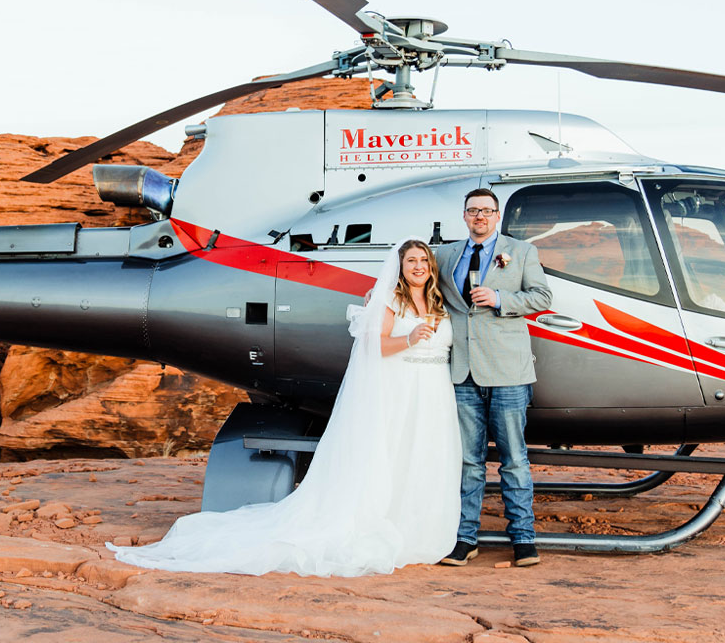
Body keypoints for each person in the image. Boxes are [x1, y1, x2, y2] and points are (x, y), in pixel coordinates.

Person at [107, 238, 460, 577]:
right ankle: (388, 526)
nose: (418, 267)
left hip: (433, 395)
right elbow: (375, 348)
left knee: (423, 458)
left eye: (424, 261)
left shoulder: (439, 302)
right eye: (411, 261)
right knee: (394, 456)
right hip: (401, 393)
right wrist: (409, 339)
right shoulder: (388, 302)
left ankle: (418, 526)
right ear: (400, 267)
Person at [435, 187, 552, 567]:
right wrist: (381, 296)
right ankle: (465, 539)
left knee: (514, 458)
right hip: (462, 370)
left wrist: (501, 300)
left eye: (487, 211)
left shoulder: (522, 252)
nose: (479, 217)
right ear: (464, 216)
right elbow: (423, 294)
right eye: (473, 211)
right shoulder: (446, 254)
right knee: (468, 461)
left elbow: (542, 297)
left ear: (497, 216)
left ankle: (523, 539)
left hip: (508, 372)